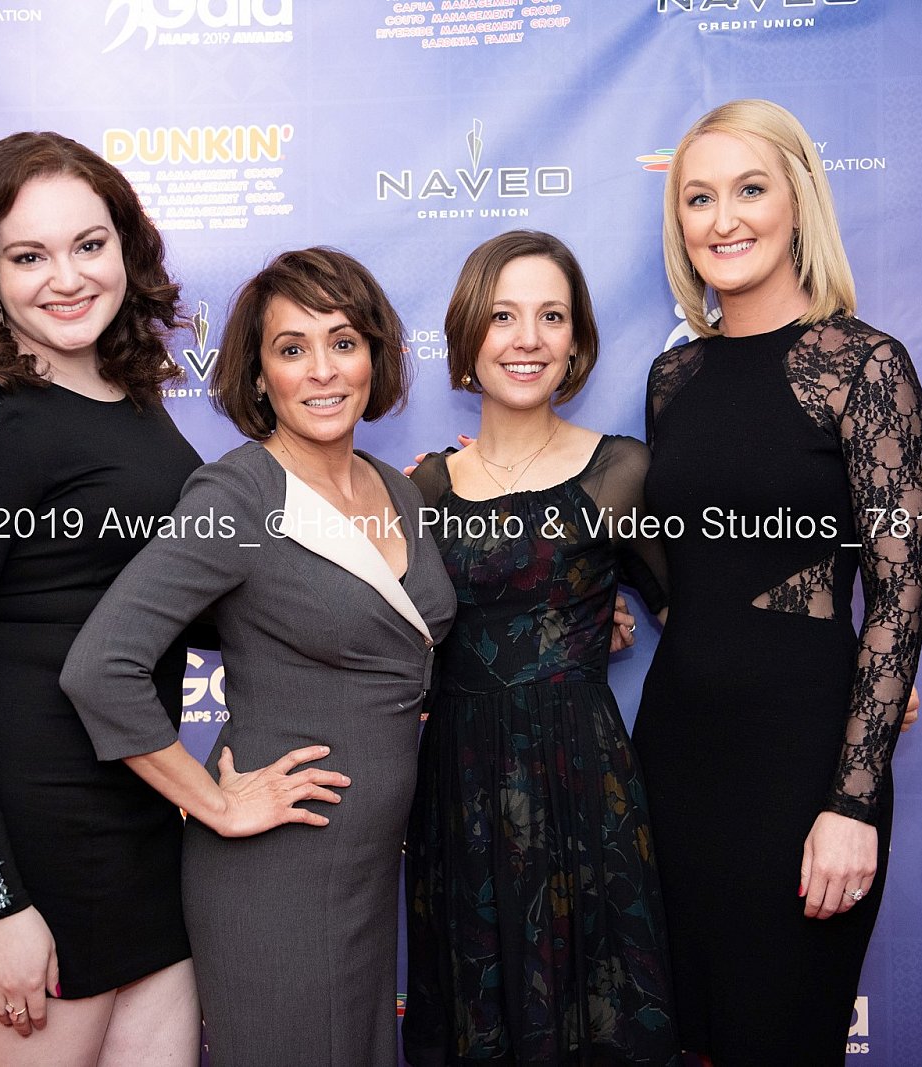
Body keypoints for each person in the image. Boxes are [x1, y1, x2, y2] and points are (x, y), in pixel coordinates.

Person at [60, 248, 457, 1067]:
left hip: (368, 868)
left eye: (343, 342)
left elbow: (406, 637)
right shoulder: (237, 496)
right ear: (259, 372)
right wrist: (213, 801)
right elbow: (101, 666)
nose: (323, 370)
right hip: (277, 872)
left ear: (376, 355)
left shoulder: (396, 487)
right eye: (292, 348)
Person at [631, 99, 922, 1065]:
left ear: (798, 200)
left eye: (750, 189)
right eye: (698, 198)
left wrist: (853, 801)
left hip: (805, 765)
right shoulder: (673, 379)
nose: (723, 219)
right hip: (677, 758)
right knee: (692, 1041)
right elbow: (694, 571)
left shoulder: (864, 367)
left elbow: (899, 592)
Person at [0, 131, 203, 1065]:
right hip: (41, 842)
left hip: (148, 812)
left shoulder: (131, 392)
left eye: (89, 244)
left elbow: (183, 590)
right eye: (28, 256)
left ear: (125, 249)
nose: (67, 279)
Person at [403, 230, 681, 1067]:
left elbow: (701, 618)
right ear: (466, 335)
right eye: (502, 316)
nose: (527, 338)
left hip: (583, 789)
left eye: (551, 316)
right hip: (460, 797)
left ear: (576, 339)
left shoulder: (623, 472)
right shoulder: (420, 490)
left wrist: (839, 677)